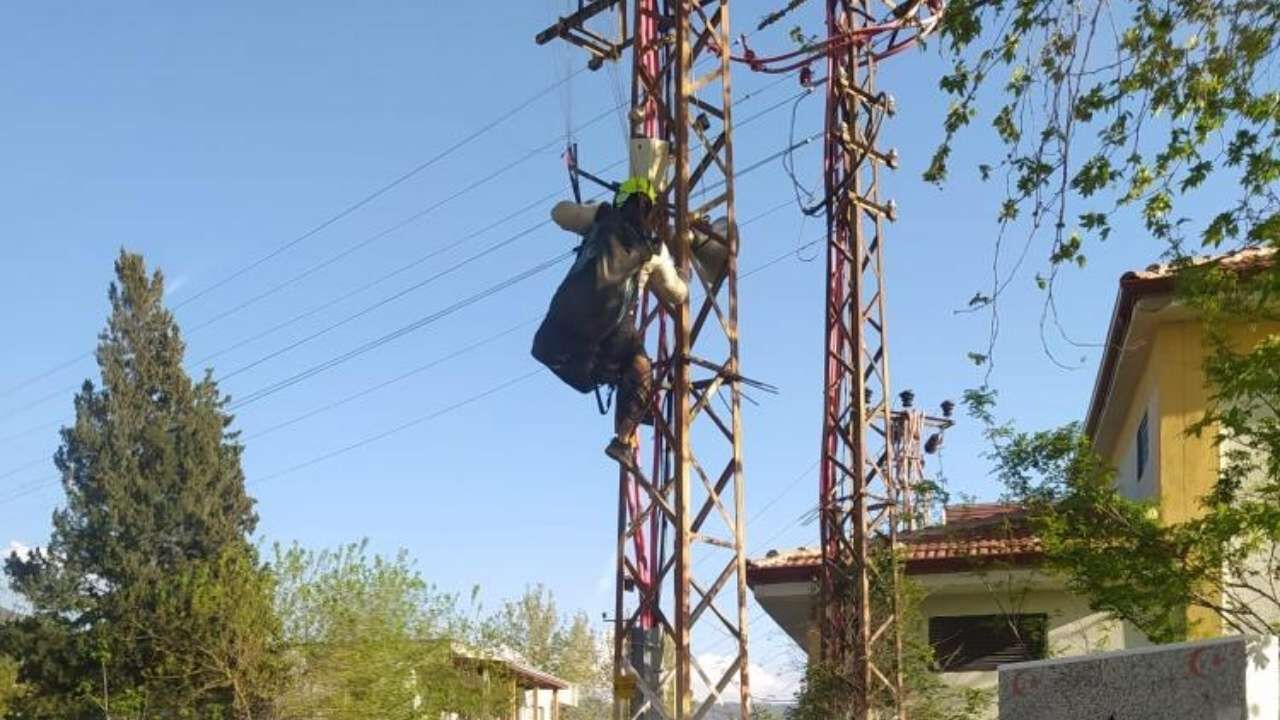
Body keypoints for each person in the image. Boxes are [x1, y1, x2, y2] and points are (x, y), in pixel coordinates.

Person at [531, 176, 687, 468]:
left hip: (562, 327)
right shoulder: (654, 249)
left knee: (618, 360)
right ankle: (623, 440)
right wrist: (681, 274)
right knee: (640, 367)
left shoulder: (601, 218)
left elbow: (558, 213)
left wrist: (590, 209)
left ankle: (623, 418)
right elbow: (677, 295)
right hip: (613, 334)